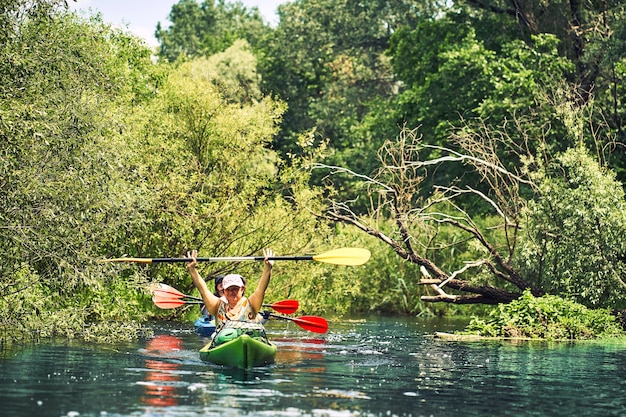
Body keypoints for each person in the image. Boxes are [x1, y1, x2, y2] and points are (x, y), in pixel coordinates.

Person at [187, 248, 274, 329]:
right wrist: (192, 270)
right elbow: (203, 290)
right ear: (223, 291)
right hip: (224, 340)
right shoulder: (217, 306)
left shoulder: (251, 304)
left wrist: (268, 268)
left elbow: (261, 289)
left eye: (235, 289)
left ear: (242, 289)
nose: (231, 292)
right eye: (228, 289)